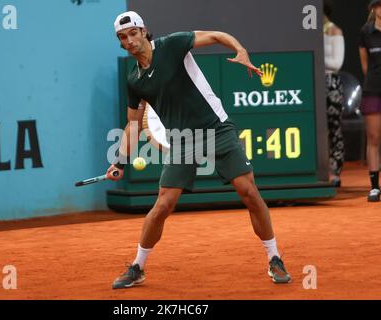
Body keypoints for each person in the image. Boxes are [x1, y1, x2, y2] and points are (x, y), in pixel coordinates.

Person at [106, 11, 292, 289]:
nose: (130, 40)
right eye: (123, 37)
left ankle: (274, 257)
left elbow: (217, 35)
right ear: (120, 43)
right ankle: (138, 266)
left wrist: (240, 51)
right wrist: (119, 161)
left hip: (216, 126)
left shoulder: (173, 44)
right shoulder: (134, 80)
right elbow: (132, 125)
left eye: (133, 33)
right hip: (182, 139)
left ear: (144, 31)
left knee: (248, 191)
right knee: (163, 205)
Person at [359, 0, 381, 202]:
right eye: (378, 5)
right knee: (373, 137)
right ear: (373, 9)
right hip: (373, 89)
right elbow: (365, 65)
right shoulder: (366, 32)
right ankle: (375, 187)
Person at [323, 1, 345, 187]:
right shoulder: (310, 33)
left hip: (331, 84)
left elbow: (336, 63)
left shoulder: (335, 31)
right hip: (313, 82)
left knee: (334, 128)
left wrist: (317, 50)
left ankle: (335, 172)